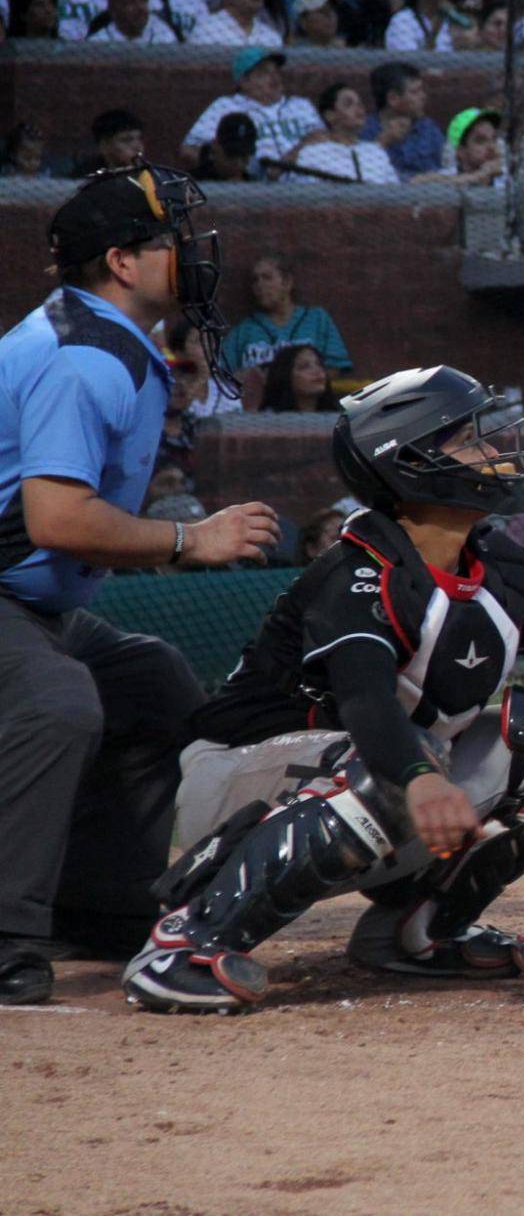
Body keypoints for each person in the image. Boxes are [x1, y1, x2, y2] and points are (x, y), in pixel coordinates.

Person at [121, 366, 524, 1013]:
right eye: (470, 439)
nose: (496, 451)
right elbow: (367, 702)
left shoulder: (505, 564)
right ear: (411, 461)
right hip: (235, 781)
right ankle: (185, 944)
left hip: (379, 777)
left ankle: (419, 932)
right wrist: (417, 774)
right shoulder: (356, 572)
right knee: (393, 761)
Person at [0, 165, 278, 1006]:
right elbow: (55, 519)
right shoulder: (84, 357)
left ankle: (97, 904)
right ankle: (7, 931)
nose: (189, 256)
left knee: (152, 682)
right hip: (16, 596)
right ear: (121, 262)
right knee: (58, 703)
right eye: (169, 242)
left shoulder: (103, 337)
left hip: (32, 601)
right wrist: (192, 538)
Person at [181, 48, 322, 168]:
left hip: (305, 176)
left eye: (276, 71)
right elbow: (189, 149)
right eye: (263, 73)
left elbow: (323, 136)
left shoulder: (299, 105)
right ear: (244, 82)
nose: (273, 77)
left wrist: (289, 159)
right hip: (253, 185)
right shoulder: (226, 106)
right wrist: (231, 168)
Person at [222, 253, 352, 377]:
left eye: (267, 278)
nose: (259, 285)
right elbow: (222, 375)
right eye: (255, 280)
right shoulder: (244, 331)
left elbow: (335, 367)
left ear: (287, 282)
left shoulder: (317, 320)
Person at [288, 82, 400, 185]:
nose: (358, 108)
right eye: (349, 104)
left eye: (360, 103)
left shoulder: (376, 152)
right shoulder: (312, 153)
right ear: (330, 115)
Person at [361, 63, 447, 181]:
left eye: (421, 90)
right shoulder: (365, 130)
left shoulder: (428, 128)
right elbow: (360, 172)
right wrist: (383, 141)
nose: (423, 96)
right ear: (393, 99)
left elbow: (448, 168)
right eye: (415, 92)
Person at [258, 343, 338, 413]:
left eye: (319, 364)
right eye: (305, 366)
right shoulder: (268, 420)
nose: (317, 371)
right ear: (285, 376)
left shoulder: (339, 419)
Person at [191, 112, 261, 183]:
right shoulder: (192, 183)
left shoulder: (255, 186)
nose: (238, 163)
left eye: (244, 157)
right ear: (215, 146)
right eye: (231, 154)